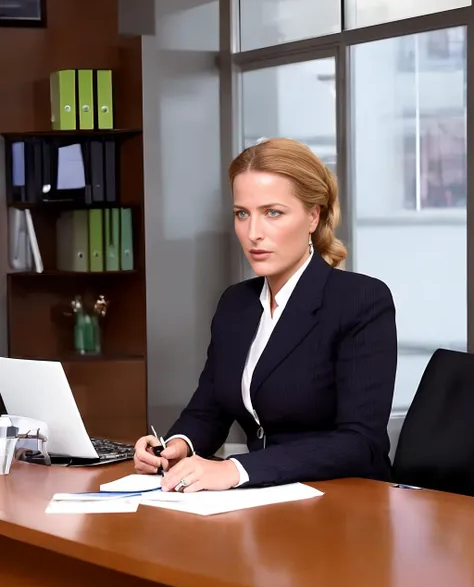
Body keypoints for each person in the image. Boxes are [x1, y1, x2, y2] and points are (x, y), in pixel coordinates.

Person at [134, 138, 397, 492]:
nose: (253, 233)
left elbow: (360, 443)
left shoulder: (360, 300)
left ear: (313, 216)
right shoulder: (235, 304)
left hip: (344, 503)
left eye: (273, 212)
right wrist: (174, 447)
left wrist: (237, 469)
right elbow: (208, 410)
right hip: (266, 499)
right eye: (242, 214)